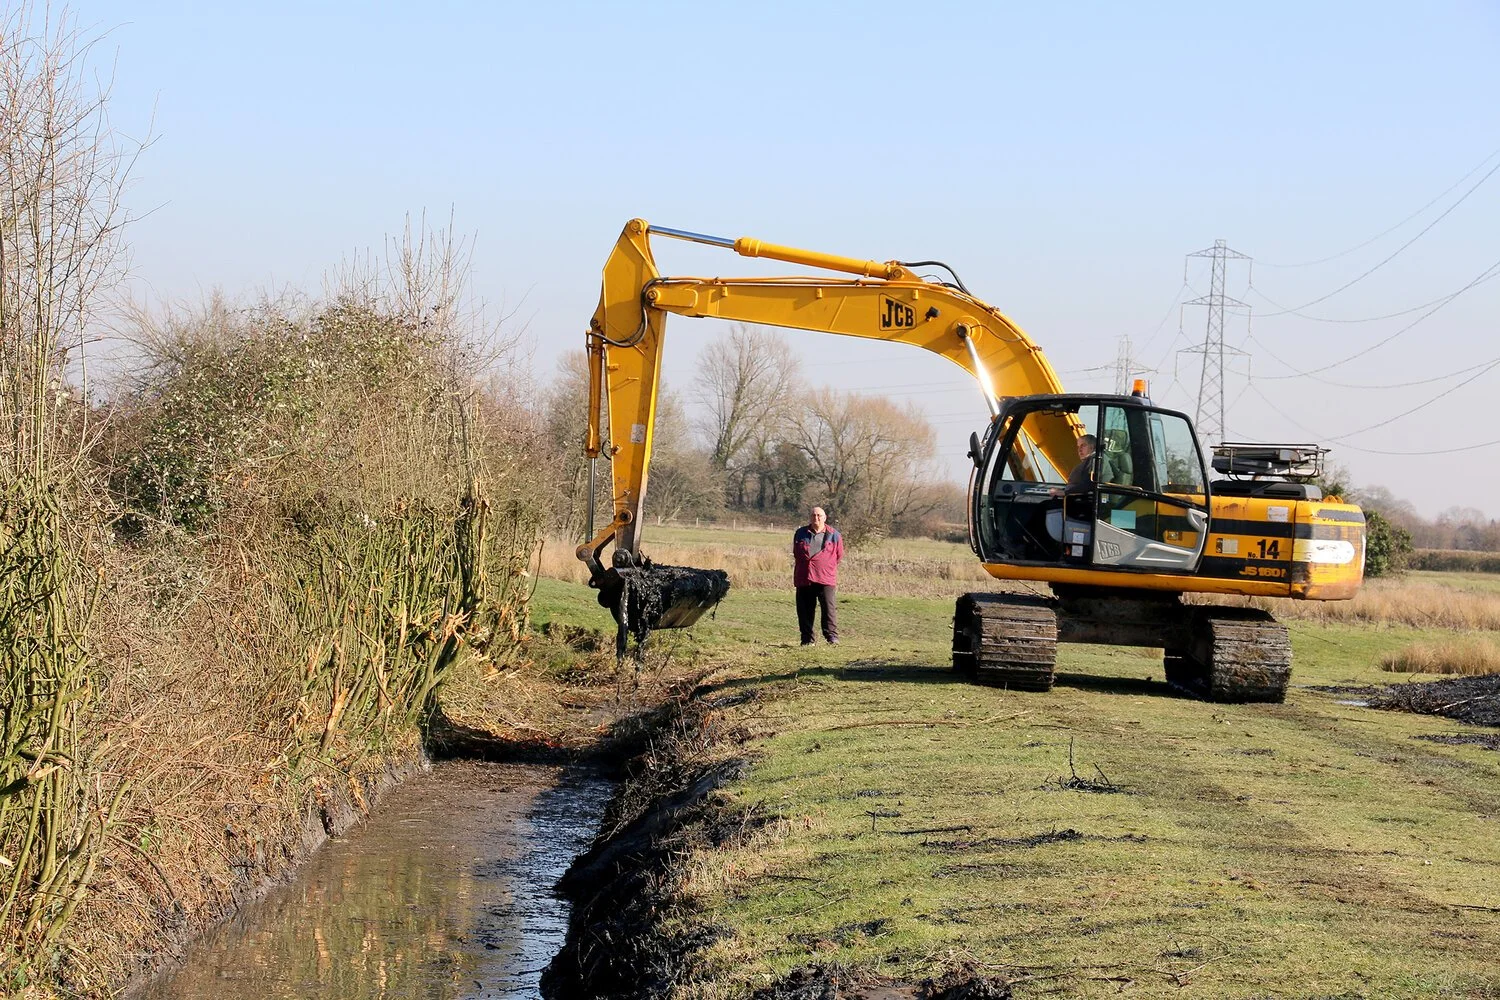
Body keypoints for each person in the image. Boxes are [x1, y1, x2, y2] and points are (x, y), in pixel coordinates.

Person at [792, 506, 843, 645]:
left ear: (824, 517)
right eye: (813, 515)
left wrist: (824, 564)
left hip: (825, 577)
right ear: (810, 517)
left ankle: (831, 637)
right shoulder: (800, 533)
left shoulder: (835, 535)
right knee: (805, 610)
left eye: (819, 515)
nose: (816, 518)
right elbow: (796, 553)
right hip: (804, 577)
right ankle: (807, 639)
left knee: (828, 609)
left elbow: (838, 556)